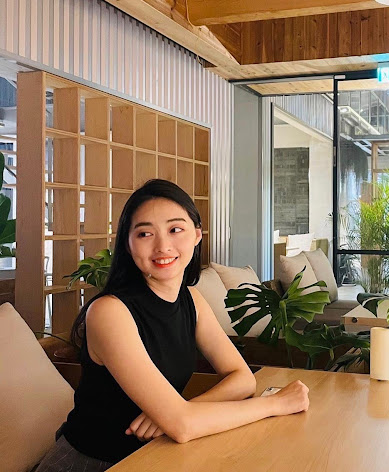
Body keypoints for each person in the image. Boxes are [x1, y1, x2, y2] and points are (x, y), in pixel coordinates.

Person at [36, 179, 309, 472]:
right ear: (127, 244)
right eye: (145, 233)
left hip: (156, 455)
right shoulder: (109, 312)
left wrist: (179, 411)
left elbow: (242, 379)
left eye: (175, 229)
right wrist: (276, 404)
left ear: (196, 235)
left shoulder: (192, 300)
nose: (163, 246)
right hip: (91, 463)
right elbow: (182, 426)